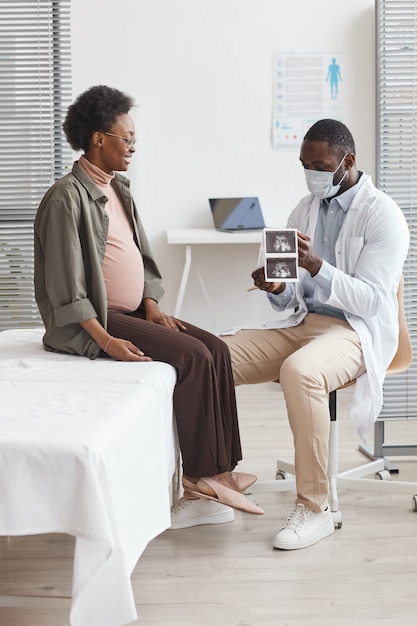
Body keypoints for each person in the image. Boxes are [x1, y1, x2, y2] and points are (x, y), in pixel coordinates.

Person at [34, 85, 263, 530]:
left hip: (133, 311)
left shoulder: (118, 189)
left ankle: (224, 469)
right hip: (96, 320)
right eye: (127, 138)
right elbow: (67, 287)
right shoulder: (65, 198)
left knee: (215, 348)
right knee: (193, 358)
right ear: (98, 138)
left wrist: (152, 305)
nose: (133, 147)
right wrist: (106, 340)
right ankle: (199, 478)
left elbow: (141, 257)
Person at [222, 119, 409, 550]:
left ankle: (315, 507)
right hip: (304, 323)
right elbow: (292, 296)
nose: (312, 175)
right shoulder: (302, 210)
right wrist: (276, 286)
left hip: (354, 331)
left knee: (301, 371)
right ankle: (212, 482)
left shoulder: (384, 216)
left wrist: (317, 266)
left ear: (348, 161)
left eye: (320, 165)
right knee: (210, 356)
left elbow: (373, 303)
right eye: (305, 165)